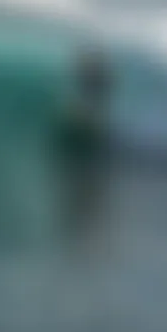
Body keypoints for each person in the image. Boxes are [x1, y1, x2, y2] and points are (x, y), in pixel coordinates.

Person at [52, 48, 114, 246]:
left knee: (85, 183)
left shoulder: (96, 75)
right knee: (83, 183)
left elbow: (101, 90)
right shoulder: (92, 75)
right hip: (88, 121)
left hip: (90, 121)